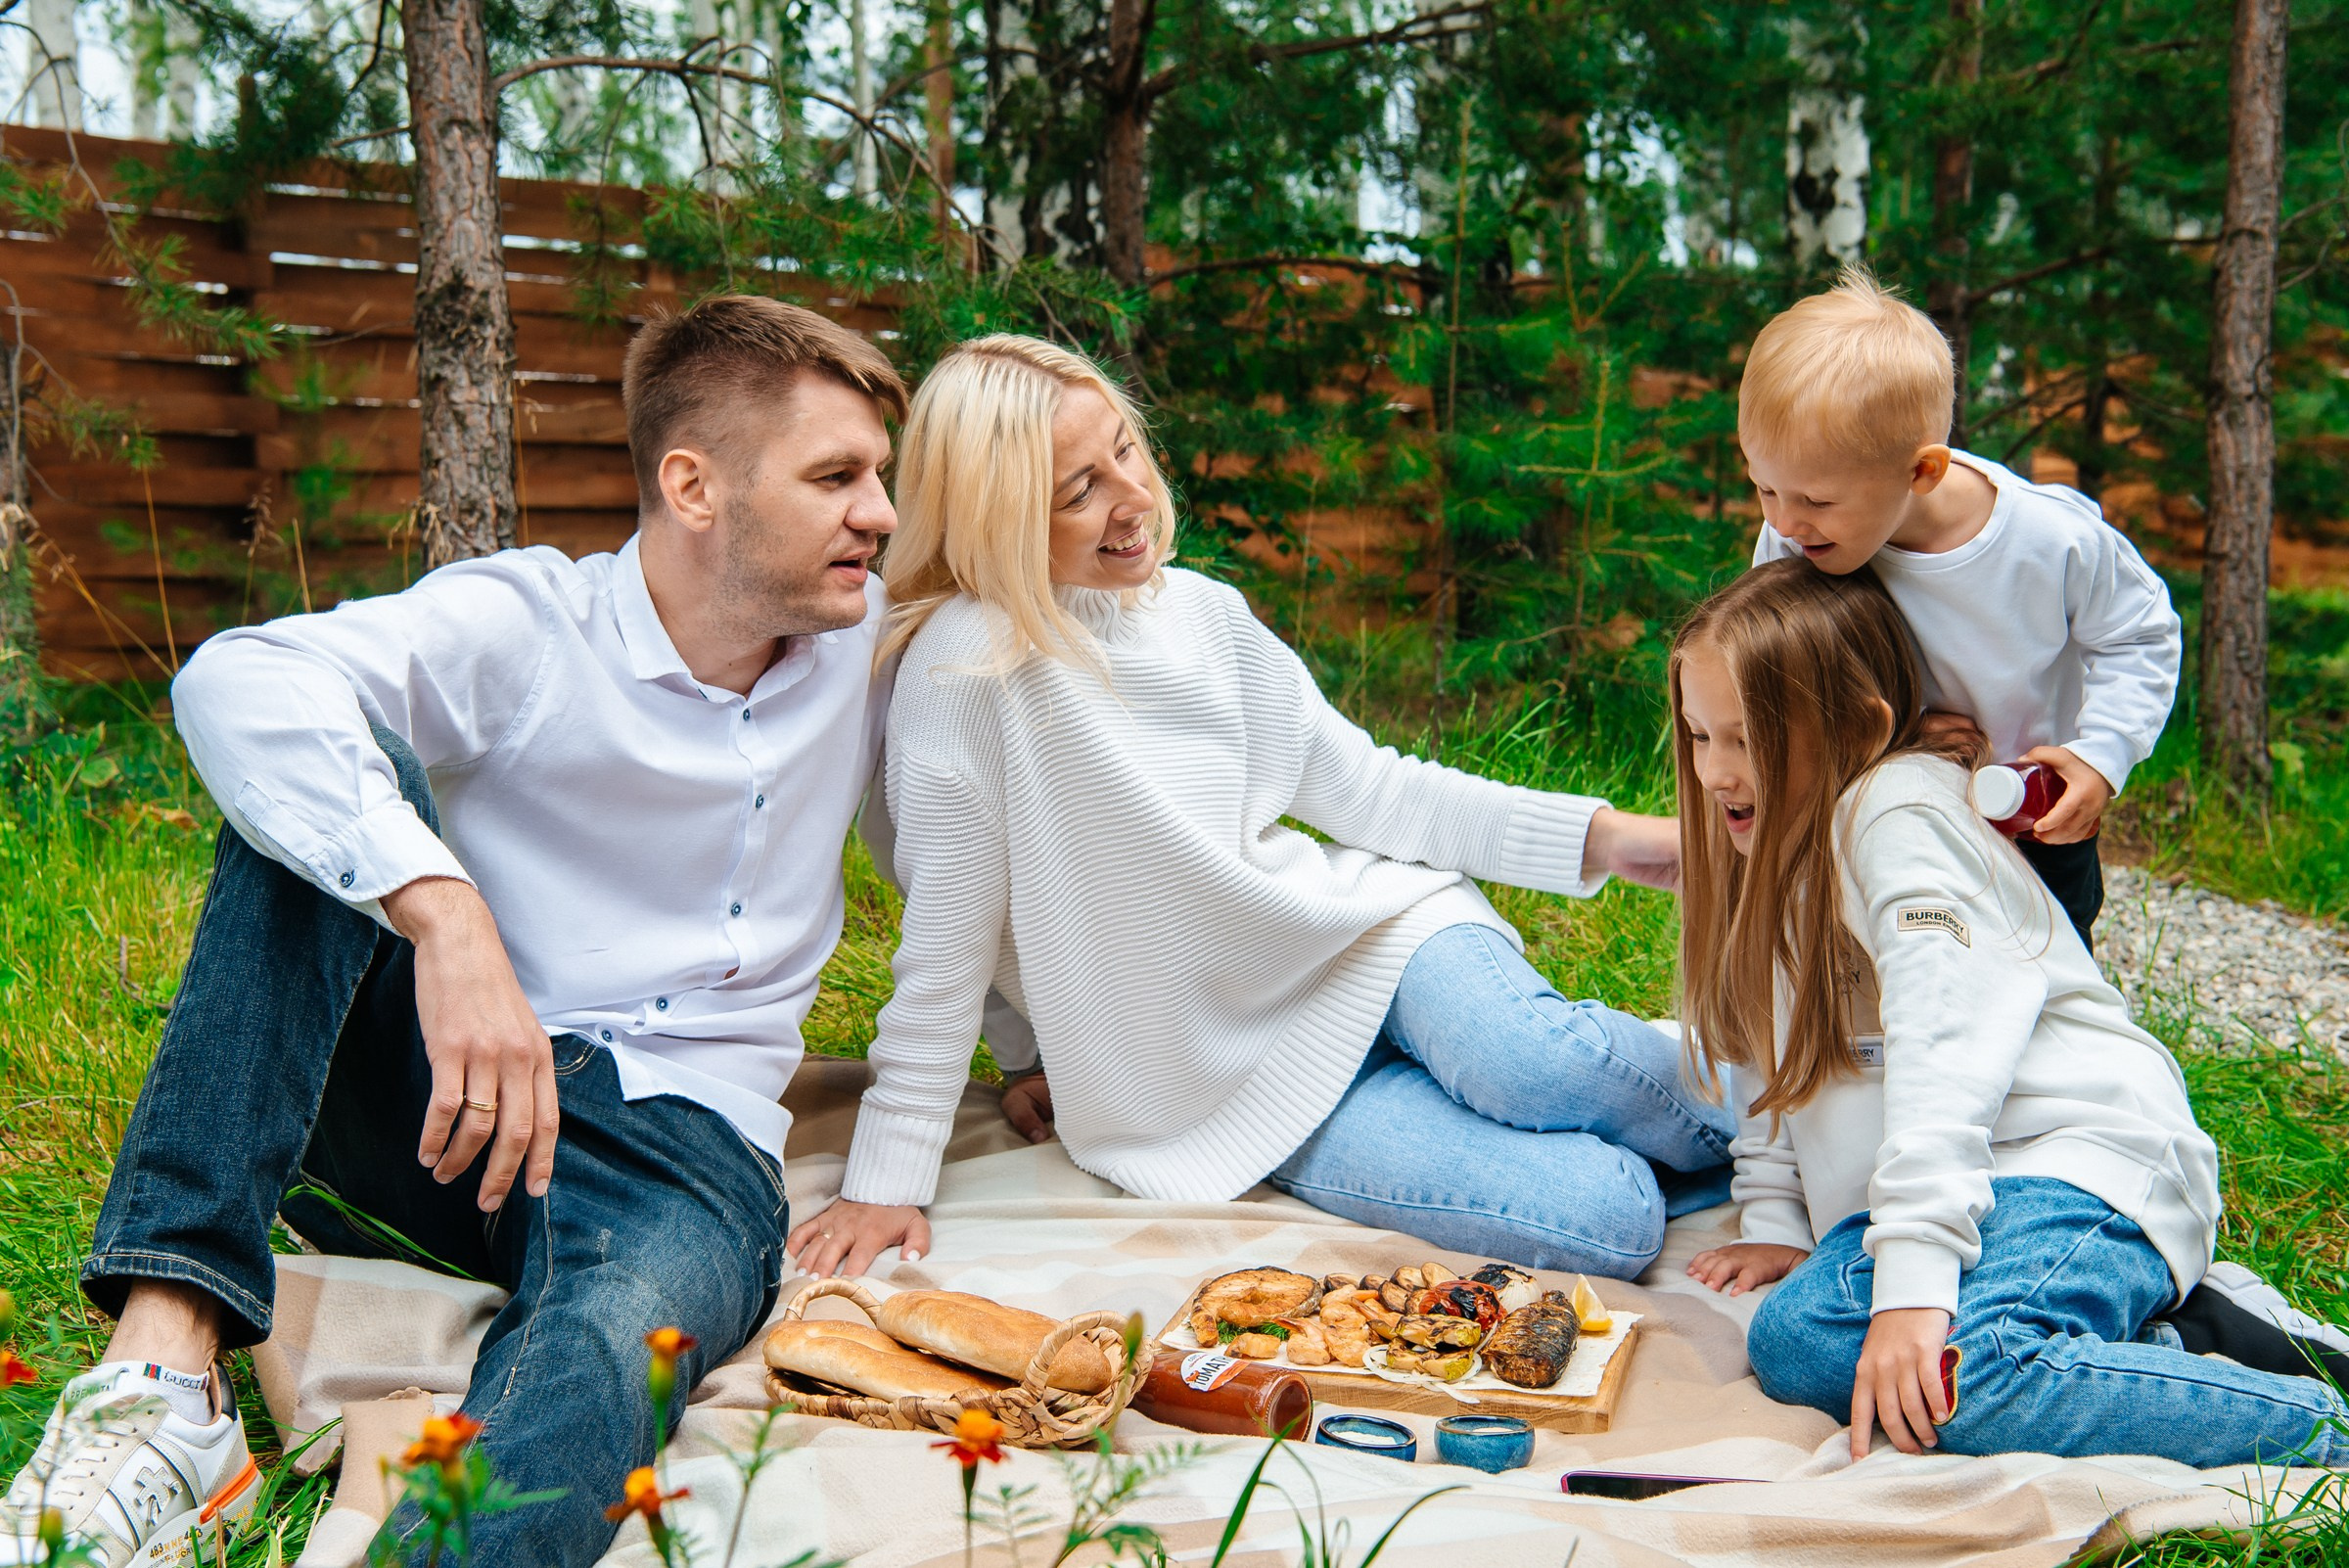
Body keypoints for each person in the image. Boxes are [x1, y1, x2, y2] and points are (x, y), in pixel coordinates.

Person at [0, 296, 905, 1568]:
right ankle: (164, 1379)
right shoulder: (531, 623)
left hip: (682, 1144)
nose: (881, 512)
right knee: (320, 789)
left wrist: (1033, 1051)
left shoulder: (875, 639)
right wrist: (446, 912)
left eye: (881, 476)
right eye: (837, 477)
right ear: (693, 486)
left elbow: (1001, 801)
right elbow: (238, 680)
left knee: (604, 1349)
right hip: (437, 1102)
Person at [788, 334, 1731, 1286]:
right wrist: (903, 1167)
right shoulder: (961, 673)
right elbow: (951, 935)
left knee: (1535, 1064)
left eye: (1125, 449)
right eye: (1079, 491)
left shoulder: (1202, 613)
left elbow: (1373, 790)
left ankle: (1784, 1115)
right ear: (995, 520)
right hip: (1226, 1094)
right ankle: (1636, 1116)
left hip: (1369, 942)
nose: (1133, 497)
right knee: (1607, 1219)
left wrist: (1605, 838)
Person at [1676, 561, 2347, 1467]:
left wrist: (1915, 1284)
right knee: (1797, 1341)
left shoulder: (1895, 815)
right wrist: (1775, 1221)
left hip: (2073, 1161)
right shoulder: (1765, 857)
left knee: (1966, 1370)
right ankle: (2174, 1347)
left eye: (1748, 739)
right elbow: (1776, 1056)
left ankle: (2318, 1427)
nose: (1716, 771)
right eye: (1700, 736)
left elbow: (1944, 1047)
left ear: (1857, 726)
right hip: (1959, 1198)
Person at [1740, 266, 2179, 947]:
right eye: (1764, 488)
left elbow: (2139, 636)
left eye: (1816, 500)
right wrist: (1889, 737)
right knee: (1893, 950)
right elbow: (1781, 669)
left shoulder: (2050, 541)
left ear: (1923, 471)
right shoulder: (1796, 541)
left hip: (2027, 815)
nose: (1784, 521)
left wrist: (2101, 755)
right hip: (1878, 805)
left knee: (2048, 955)